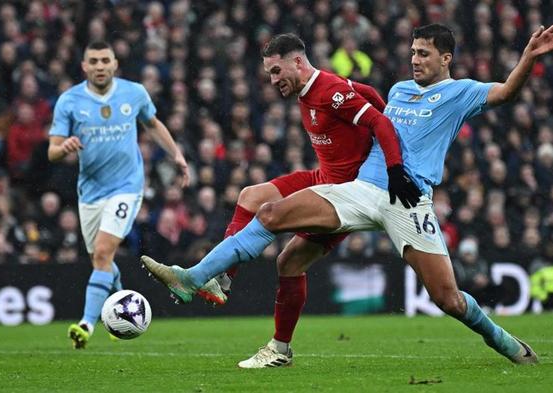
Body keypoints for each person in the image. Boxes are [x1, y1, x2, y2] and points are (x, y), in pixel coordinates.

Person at [142, 23, 551, 367]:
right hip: (360, 190)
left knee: (448, 299)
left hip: (408, 201)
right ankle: (194, 277)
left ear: (446, 58)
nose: (415, 59)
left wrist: (528, 59)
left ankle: (506, 343)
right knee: (268, 213)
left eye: (424, 53)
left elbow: (505, 94)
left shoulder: (461, 92)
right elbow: (370, 107)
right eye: (413, 51)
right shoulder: (399, 90)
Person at [187, 33, 420, 356]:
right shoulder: (313, 88)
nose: (272, 80)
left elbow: (379, 122)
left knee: (289, 261)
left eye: (276, 71)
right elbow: (364, 93)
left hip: (341, 195)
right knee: (250, 196)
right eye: (270, 73)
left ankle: (279, 347)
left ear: (297, 62)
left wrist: (394, 167)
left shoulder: (331, 93)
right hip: (319, 177)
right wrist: (377, 103)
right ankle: (223, 278)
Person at [47, 41, 220, 349]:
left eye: (105, 60)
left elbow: (153, 124)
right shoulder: (69, 101)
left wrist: (177, 155)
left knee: (102, 253)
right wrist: (64, 149)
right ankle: (122, 311)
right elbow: (52, 152)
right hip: (89, 193)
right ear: (84, 66)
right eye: (94, 61)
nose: (100, 66)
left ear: (115, 64)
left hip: (127, 187)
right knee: (101, 260)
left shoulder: (134, 92)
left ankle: (87, 324)